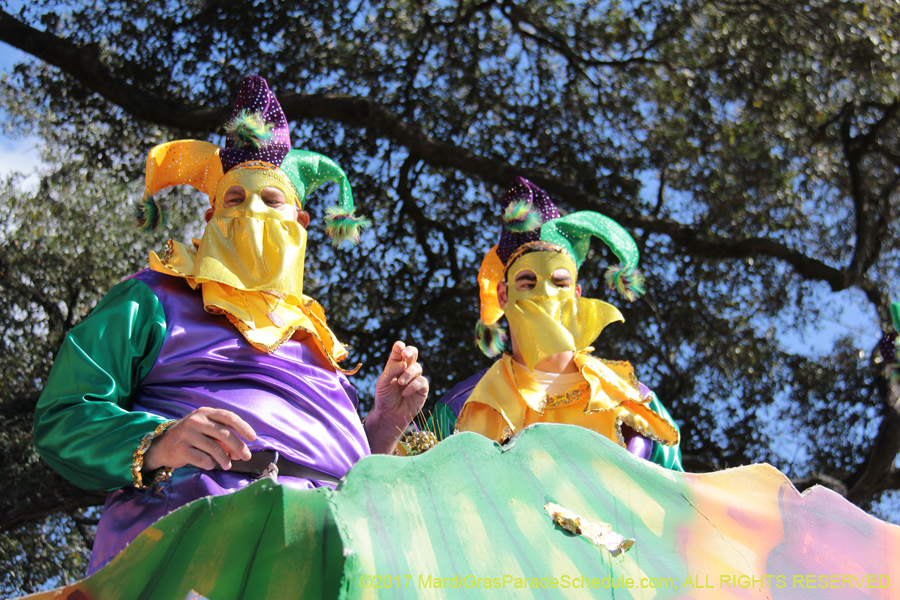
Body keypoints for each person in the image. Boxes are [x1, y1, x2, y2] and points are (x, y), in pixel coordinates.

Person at [33, 76, 428, 574]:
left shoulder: (316, 340)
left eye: (271, 200)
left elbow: (331, 464)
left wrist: (383, 425)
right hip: (199, 540)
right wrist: (159, 440)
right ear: (210, 215)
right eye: (234, 200)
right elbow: (63, 415)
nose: (251, 212)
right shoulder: (152, 298)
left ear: (301, 222)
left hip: (334, 550)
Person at [449, 177, 682, 469]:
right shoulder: (464, 406)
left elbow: (680, 500)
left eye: (559, 283)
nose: (545, 293)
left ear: (577, 294)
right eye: (527, 281)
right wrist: (384, 422)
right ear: (503, 294)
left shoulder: (635, 400)